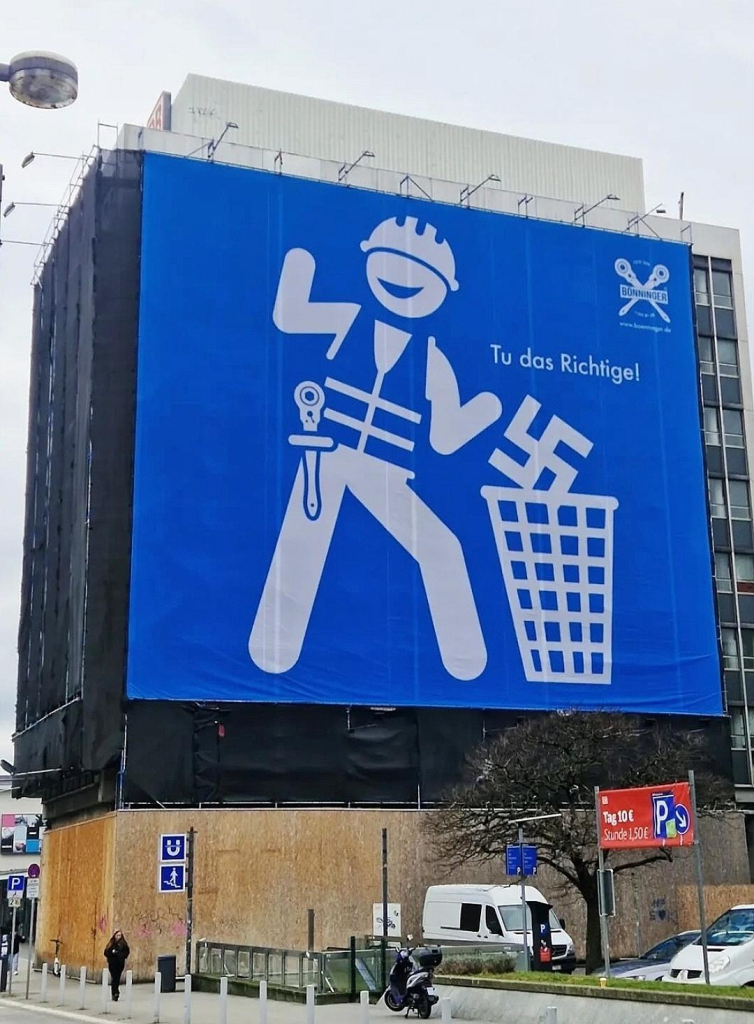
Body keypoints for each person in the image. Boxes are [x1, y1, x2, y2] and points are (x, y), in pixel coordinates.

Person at [104, 931, 130, 1001]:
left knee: (117, 978)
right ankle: (115, 992)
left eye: (120, 935)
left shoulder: (123, 945)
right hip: (112, 963)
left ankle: (115, 992)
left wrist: (119, 954)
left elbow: (126, 953)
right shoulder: (111, 944)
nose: (118, 937)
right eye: (117, 935)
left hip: (120, 963)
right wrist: (112, 952)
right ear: (115, 936)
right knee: (114, 977)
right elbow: (106, 952)